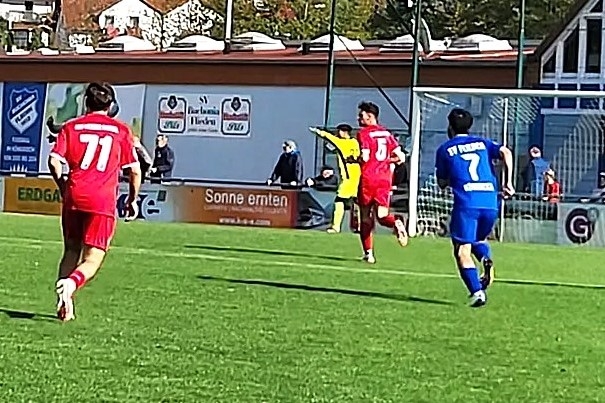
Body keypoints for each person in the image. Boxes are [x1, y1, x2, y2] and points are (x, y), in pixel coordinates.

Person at [47, 82, 142, 322]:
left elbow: (54, 160)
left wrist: (63, 186)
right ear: (111, 106)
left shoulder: (71, 127)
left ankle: (64, 303)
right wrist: (132, 200)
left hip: (74, 196)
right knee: (92, 258)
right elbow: (134, 170)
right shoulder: (121, 131)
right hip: (102, 201)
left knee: (71, 250)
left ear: (86, 103)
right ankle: (71, 285)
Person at [435, 108, 514, 307]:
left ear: (450, 127)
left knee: (462, 250)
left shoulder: (445, 149)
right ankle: (486, 259)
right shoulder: (483, 143)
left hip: (467, 203)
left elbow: (442, 182)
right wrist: (508, 182)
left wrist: (450, 178)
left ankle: (477, 292)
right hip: (490, 202)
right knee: (478, 239)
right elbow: (505, 151)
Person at [356, 101, 408, 264]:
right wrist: (385, 161)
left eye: (361, 115)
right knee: (382, 215)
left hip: (368, 178)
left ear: (370, 116)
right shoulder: (386, 133)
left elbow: (365, 157)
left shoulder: (364, 133)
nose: (358, 118)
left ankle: (369, 254)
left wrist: (355, 159)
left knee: (365, 217)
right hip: (385, 179)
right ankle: (396, 222)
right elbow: (401, 157)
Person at [309, 123, 361, 233]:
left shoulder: (341, 143)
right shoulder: (355, 143)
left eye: (339, 131)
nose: (337, 133)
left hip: (347, 178)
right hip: (358, 176)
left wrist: (317, 131)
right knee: (357, 202)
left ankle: (336, 227)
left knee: (339, 201)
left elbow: (328, 136)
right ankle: (360, 227)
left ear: (344, 132)